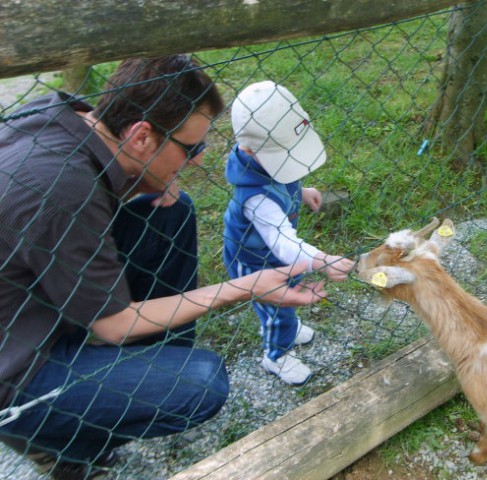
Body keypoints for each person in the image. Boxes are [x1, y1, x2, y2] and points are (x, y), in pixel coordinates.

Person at [0, 56, 326, 480]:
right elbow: (114, 325)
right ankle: (63, 447)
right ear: (140, 137)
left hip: (30, 293)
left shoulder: (68, 116)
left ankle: (142, 369)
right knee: (198, 385)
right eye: (190, 149)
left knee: (170, 212)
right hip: (17, 366)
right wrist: (245, 286)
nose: (197, 161)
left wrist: (146, 177)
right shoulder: (62, 188)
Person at [223, 80, 354, 386]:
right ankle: (275, 355)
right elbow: (283, 244)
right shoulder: (255, 198)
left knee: (291, 286)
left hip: (278, 250)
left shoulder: (264, 162)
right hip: (255, 259)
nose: (289, 160)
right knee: (275, 304)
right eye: (282, 155)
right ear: (250, 148)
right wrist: (321, 259)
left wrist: (303, 191)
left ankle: (288, 328)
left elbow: (284, 175)